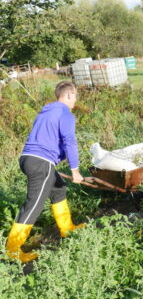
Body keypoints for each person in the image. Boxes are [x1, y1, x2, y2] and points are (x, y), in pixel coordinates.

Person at [5, 81, 86, 263]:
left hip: (28, 158)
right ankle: (12, 250)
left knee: (58, 188)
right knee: (33, 205)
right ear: (68, 95)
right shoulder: (65, 113)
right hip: (41, 162)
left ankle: (67, 228)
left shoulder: (46, 112)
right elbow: (69, 141)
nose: (75, 101)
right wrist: (75, 170)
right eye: (75, 97)